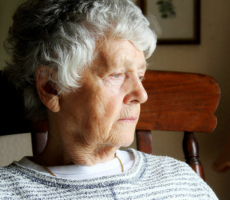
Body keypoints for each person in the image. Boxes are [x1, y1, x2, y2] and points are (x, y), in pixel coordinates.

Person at [0, 0, 218, 199]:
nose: (142, 95)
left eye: (140, 76)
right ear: (51, 88)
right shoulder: (8, 191)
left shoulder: (180, 181)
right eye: (116, 75)